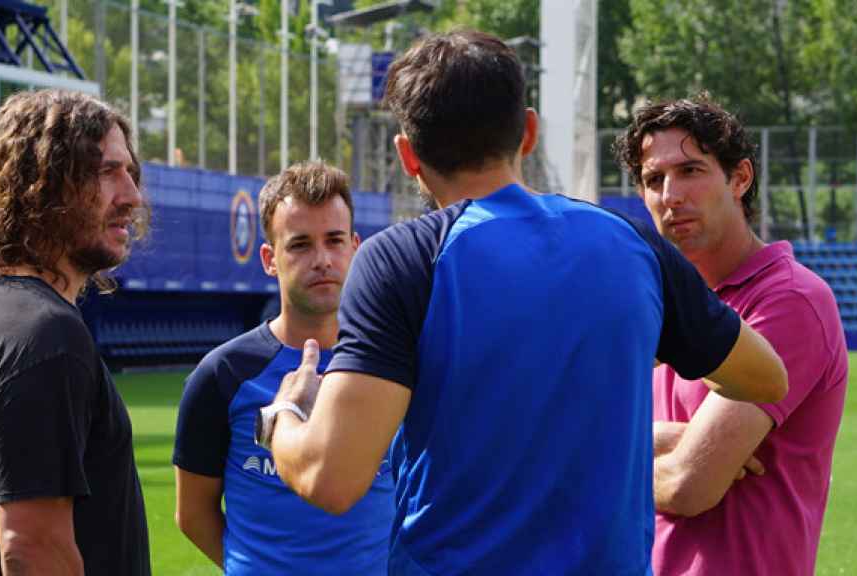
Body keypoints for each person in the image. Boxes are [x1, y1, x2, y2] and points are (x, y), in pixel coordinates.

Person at [256, 30, 789, 575]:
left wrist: (283, 416)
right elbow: (766, 379)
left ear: (408, 155)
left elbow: (331, 477)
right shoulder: (631, 244)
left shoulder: (403, 260)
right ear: (529, 131)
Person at [615, 96, 848, 575]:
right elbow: (592, 423)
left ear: (740, 178)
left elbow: (687, 486)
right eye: (654, 180)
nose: (670, 195)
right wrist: (656, 439)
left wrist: (597, 465)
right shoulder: (656, 303)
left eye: (690, 171)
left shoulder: (790, 300)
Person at [0, 89, 150, 575]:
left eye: (130, 173)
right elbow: (30, 549)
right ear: (44, 183)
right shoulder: (44, 335)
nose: (132, 196)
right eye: (107, 171)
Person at [172, 161, 393, 574]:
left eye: (334, 240)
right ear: (270, 259)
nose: (322, 259)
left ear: (355, 247)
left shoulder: (392, 363)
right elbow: (193, 514)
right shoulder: (223, 374)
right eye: (300, 244)